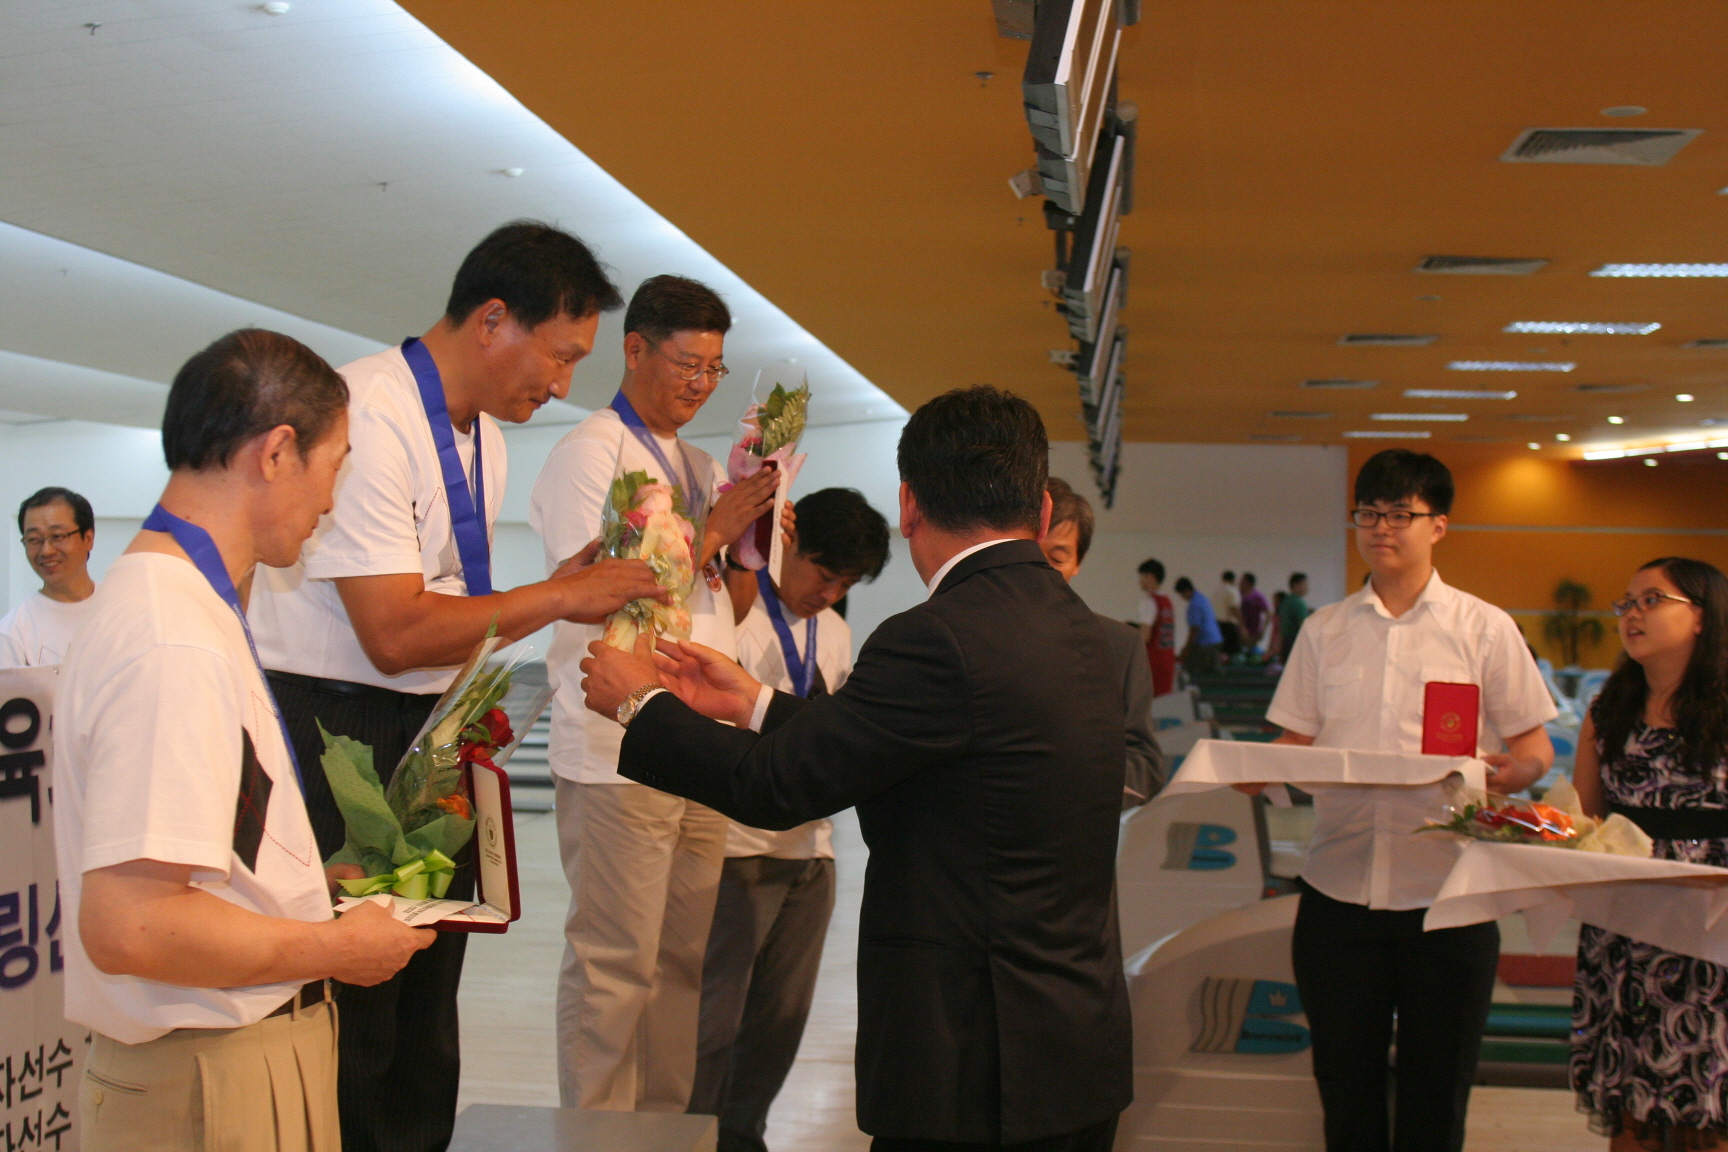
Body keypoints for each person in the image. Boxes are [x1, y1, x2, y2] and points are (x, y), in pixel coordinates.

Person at [581, 385, 1132, 1150]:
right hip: (1073, 1047)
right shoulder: (1099, 637)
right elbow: (908, 748)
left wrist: (642, 706)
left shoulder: (936, 637)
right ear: (1042, 511)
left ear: (909, 505)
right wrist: (755, 702)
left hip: (972, 1057)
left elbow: (778, 787)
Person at [249, 221, 665, 1152]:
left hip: (427, 730)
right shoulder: (366, 411)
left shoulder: (483, 441)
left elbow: (452, 609)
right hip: (342, 737)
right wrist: (557, 597)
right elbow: (394, 633)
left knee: (424, 1022)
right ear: (492, 319)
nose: (562, 385)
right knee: (355, 1020)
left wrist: (552, 590)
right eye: (560, 356)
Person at [56, 329, 436, 1152]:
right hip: (207, 1077)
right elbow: (130, 926)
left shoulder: (182, 606)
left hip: (232, 1059)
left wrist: (299, 889)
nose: (332, 500)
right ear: (277, 453)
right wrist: (334, 946)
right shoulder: (172, 636)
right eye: (336, 466)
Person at [528, 274, 780, 1113]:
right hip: (618, 746)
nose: (701, 383)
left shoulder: (701, 464)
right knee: (615, 962)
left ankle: (665, 1128)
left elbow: (728, 607)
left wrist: (750, 544)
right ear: (634, 349)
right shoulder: (592, 451)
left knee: (679, 964)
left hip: (695, 738)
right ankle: (596, 1130)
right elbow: (598, 590)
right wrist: (713, 530)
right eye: (686, 364)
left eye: (714, 368)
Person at [1259, 448, 1556, 1152]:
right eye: (1368, 513)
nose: (1381, 528)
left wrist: (1513, 773)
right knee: (1345, 1090)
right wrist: (1253, 767)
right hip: (1338, 890)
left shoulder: (1484, 628)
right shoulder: (1325, 630)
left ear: (1438, 526)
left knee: (1437, 1096)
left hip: (1450, 896)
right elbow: (1291, 741)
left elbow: (1535, 747)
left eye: (1400, 514)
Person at [691, 487, 890, 1152]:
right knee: (713, 1022)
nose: (829, 594)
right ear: (788, 545)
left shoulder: (835, 631)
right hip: (734, 849)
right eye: (823, 573)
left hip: (810, 854)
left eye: (847, 584)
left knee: (780, 1022)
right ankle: (693, 1136)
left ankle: (744, 1137)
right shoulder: (733, 614)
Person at [1571, 558, 1728, 1152]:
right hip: (1626, 927)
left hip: (1712, 927)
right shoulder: (1607, 710)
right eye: (1627, 602)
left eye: (1652, 600)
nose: (1632, 614)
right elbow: (1582, 822)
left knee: (1706, 1107)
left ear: (1702, 617)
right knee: (1630, 1105)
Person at [1044, 476, 1164, 806]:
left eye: (1056, 559)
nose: (1038, 570)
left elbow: (1145, 765)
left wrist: (1070, 785)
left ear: (1077, 564)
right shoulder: (962, 633)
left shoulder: (1118, 646)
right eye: (1026, 553)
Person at [0, 487, 99, 666]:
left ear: (88, 538)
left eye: (58, 536)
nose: (46, 551)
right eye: (34, 539)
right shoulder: (13, 633)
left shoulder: (121, 607)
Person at [1137, 558, 1177, 696]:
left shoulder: (1149, 602)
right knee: (1163, 703)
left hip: (1153, 662)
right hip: (1167, 660)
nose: (1139, 581)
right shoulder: (1167, 601)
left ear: (1150, 577)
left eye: (1141, 577)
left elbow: (1145, 637)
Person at [1174, 576, 1223, 676]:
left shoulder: (1194, 604)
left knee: (1192, 669)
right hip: (1215, 640)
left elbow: (1195, 629)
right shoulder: (1202, 598)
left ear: (1186, 591)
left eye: (1181, 594)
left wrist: (1187, 648)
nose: (1182, 597)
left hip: (1205, 643)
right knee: (1213, 673)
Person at [1278, 572, 1312, 664]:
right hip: (1295, 643)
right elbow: (1303, 625)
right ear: (1296, 585)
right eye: (1304, 584)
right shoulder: (1298, 603)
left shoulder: (1286, 601)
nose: (1307, 588)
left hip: (1285, 643)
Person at [1213, 569, 1243, 657]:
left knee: (1221, 652)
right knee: (1234, 653)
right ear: (1233, 580)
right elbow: (1234, 608)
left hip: (1217, 624)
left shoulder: (1217, 591)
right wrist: (1242, 625)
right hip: (1228, 625)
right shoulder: (1232, 590)